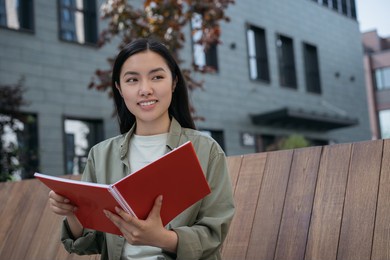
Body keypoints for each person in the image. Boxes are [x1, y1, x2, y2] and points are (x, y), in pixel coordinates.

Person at [48, 38, 235, 260]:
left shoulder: (206, 151)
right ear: (119, 88)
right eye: (132, 80)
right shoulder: (100, 155)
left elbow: (214, 235)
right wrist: (73, 212)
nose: (145, 90)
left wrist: (161, 238)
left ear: (174, 82)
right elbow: (89, 242)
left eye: (157, 77)